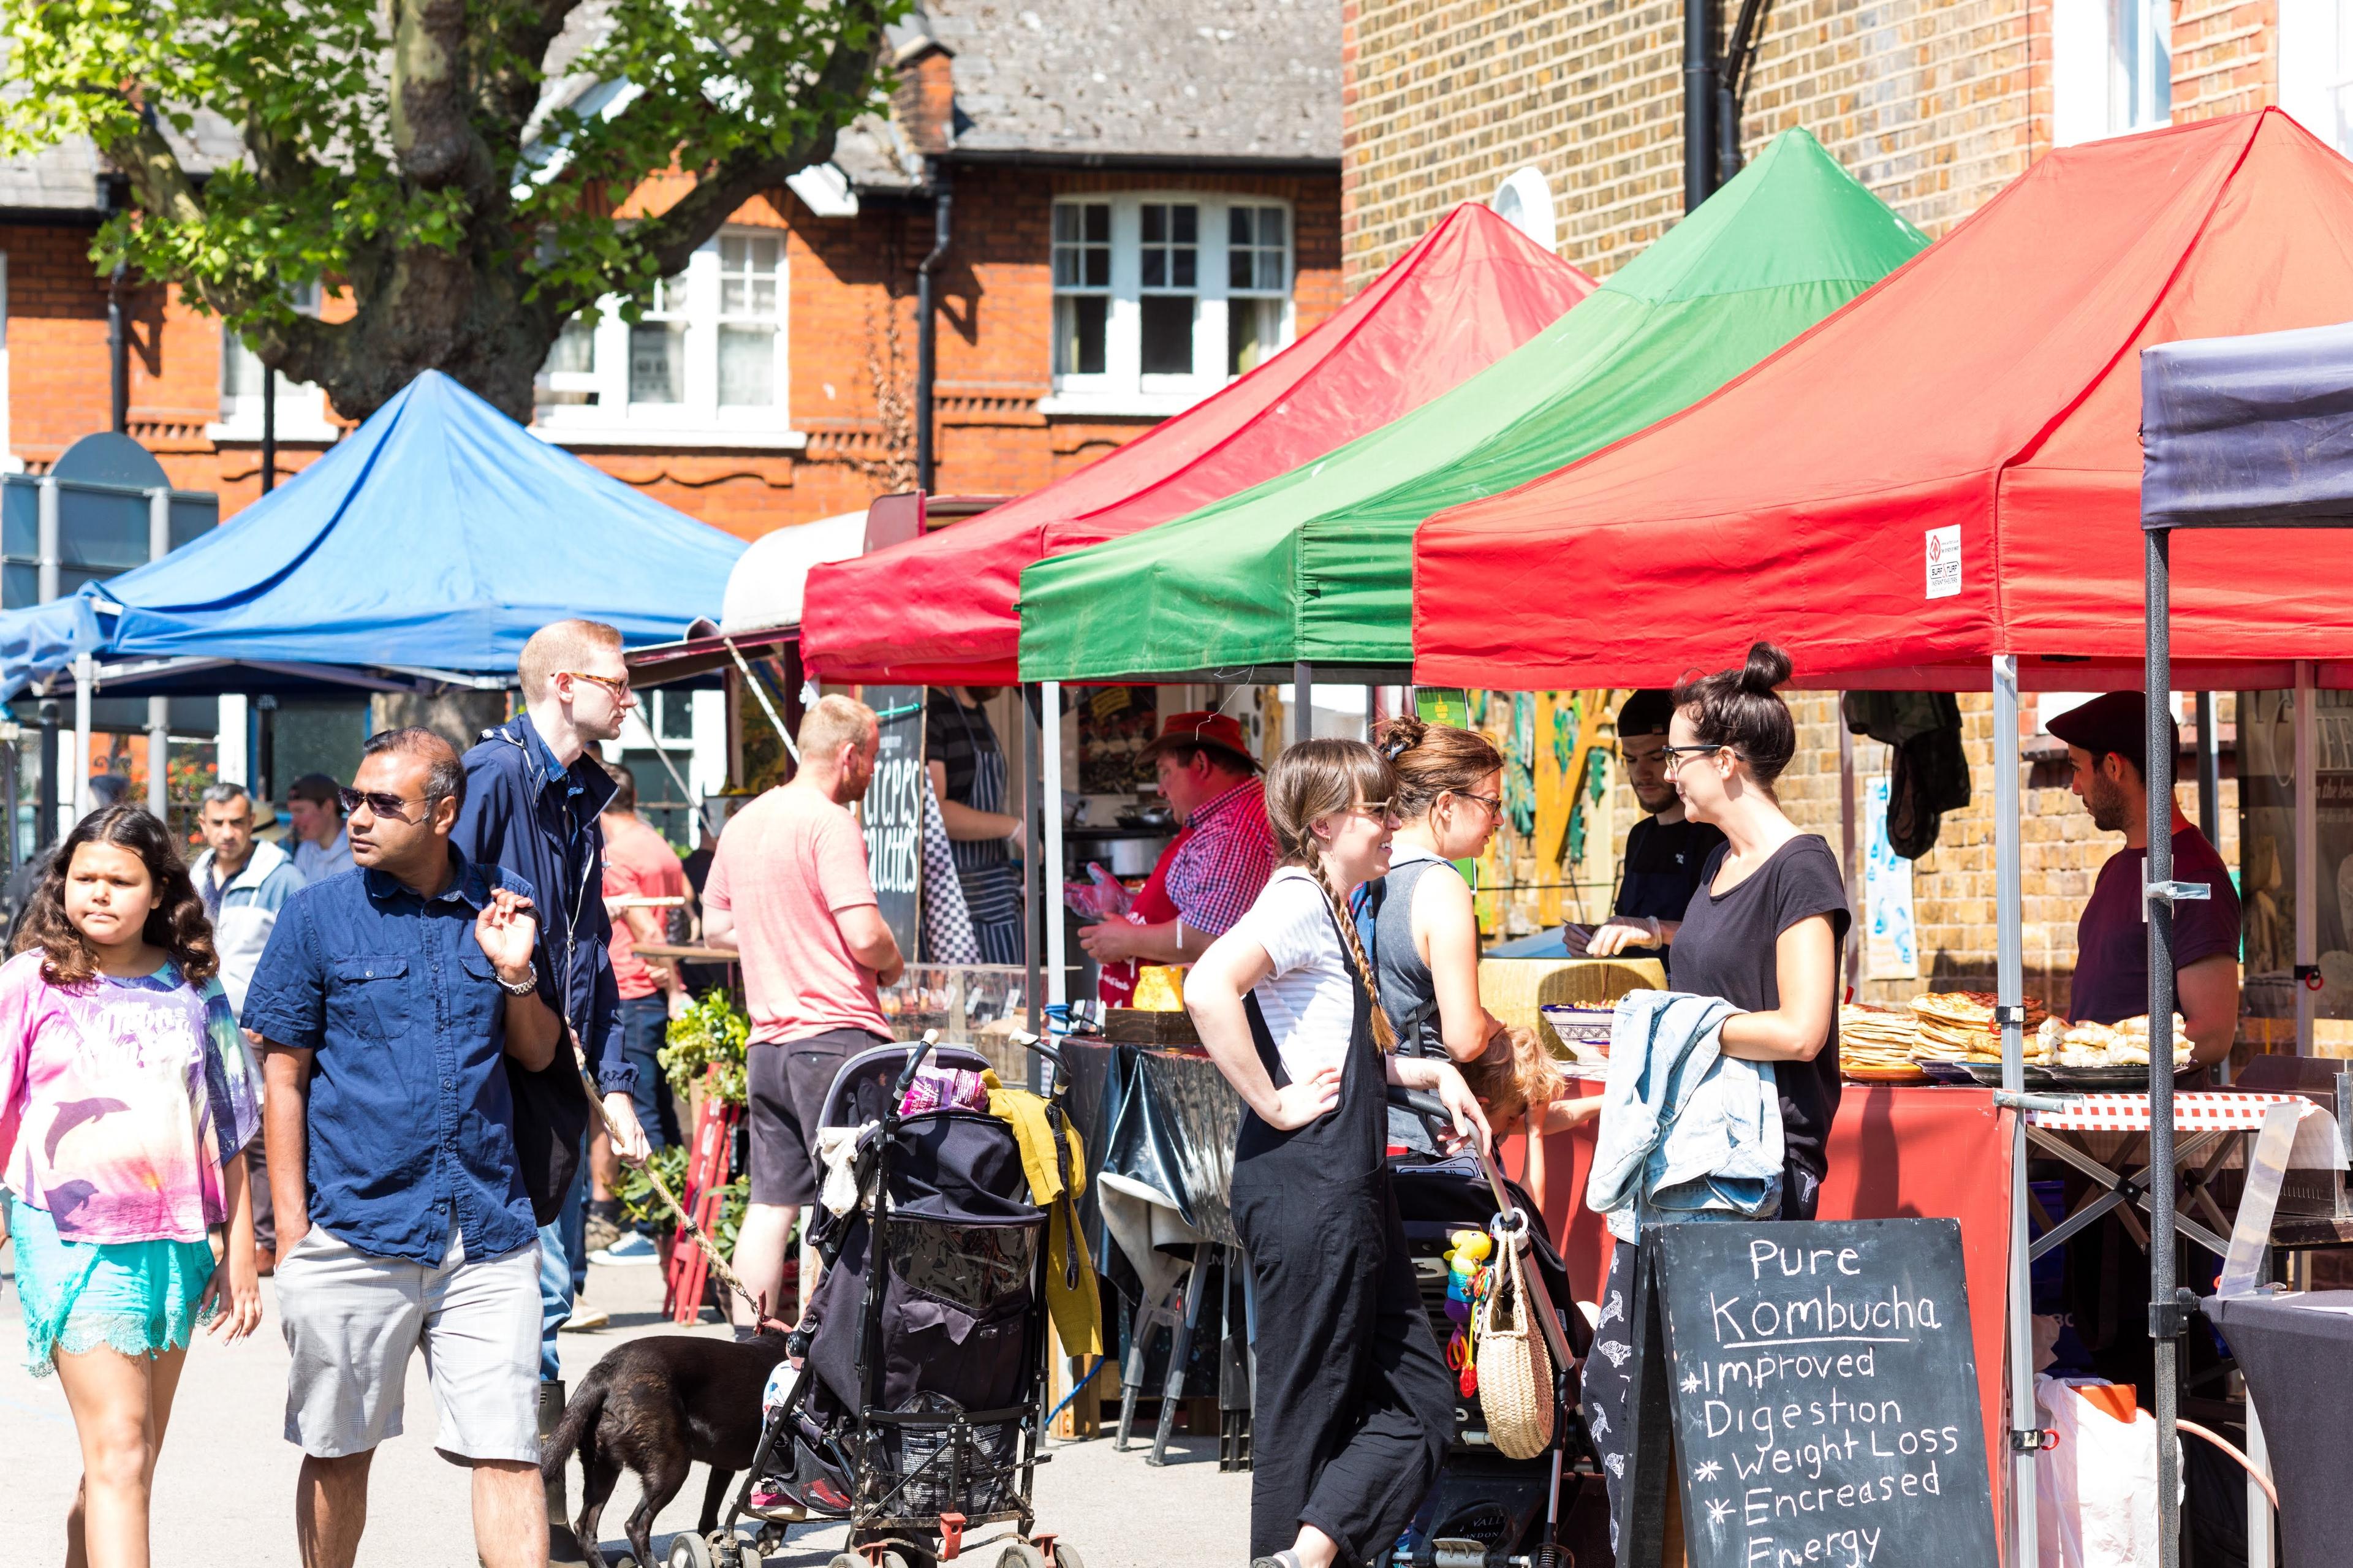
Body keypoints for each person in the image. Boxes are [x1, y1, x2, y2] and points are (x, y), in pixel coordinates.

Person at [244, 727, 560, 1568]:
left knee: (509, 1449)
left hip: (488, 1228)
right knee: (340, 1447)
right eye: (355, 798)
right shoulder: (316, 913)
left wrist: (516, 971)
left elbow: (535, 1051)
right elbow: (284, 1075)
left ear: (445, 812)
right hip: (354, 1227)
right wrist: (296, 1226)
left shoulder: (504, 903)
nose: (359, 817)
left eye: (386, 803)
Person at [1185, 738, 1485, 1568]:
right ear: (1323, 824)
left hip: (1347, 1186)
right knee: (1306, 1411)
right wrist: (1272, 1101)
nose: (1395, 822)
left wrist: (1430, 1070)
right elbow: (1208, 986)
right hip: (1312, 1185)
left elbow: (1335, 1044)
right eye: (1377, 809)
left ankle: (1304, 1554)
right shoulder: (1295, 898)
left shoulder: (1328, 903)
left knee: (1422, 1401)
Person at [1577, 644, 1850, 1545]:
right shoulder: (1717, 867)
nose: (1669, 773)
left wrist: (1671, 1024)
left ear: (1727, 762)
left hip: (1754, 1178)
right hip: (1688, 1168)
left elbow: (1802, 1026)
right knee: (1637, 1398)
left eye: (1681, 755)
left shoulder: (1800, 869)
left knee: (1726, 1417)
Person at [0, 803, 263, 1568]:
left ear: (159, 891)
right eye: (85, 877)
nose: (100, 894)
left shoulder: (194, 990)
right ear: (61, 884)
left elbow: (232, 1123)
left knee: (128, 1458)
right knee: (120, 1448)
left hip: (177, 1242)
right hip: (69, 1236)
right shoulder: (29, 981)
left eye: (121, 879)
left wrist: (241, 1251)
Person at [452, 619, 650, 1559]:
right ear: (566, 683)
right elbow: (446, 915)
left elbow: (593, 951)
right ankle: (546, 1524)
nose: (631, 696)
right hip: (493, 1078)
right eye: (619, 682)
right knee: (528, 1298)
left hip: (558, 1080)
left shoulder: (578, 790)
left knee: (553, 1292)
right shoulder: (494, 774)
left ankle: (550, 1515)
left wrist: (615, 1083)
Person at [705, 695, 901, 1328]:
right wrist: (893, 964)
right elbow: (866, 936)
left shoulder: (744, 823)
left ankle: (747, 1344)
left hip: (769, 1046)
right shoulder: (829, 822)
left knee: (771, 1205)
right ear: (848, 756)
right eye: (869, 761)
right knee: (856, 1201)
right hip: (836, 1038)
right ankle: (845, 1352)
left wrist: (783, 931)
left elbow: (716, 928)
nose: (871, 775)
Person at [1360, 717, 1596, 1148]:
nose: (1501, 818)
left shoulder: (1367, 870)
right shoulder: (1441, 885)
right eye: (1491, 803)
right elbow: (1465, 1039)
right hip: (1429, 1131)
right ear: (1447, 804)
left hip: (1369, 1120)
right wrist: (1495, 1024)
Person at [2047, 691, 2243, 1067]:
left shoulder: (2194, 874)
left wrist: (2111, 1063)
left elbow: (2213, 1033)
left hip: (2151, 1119)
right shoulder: (2115, 868)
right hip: (2096, 1112)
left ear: (2113, 767)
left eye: (2077, 767)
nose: (2074, 786)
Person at [1080, 711, 1278, 1006]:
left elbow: (1208, 937)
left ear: (1200, 764)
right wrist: (1126, 905)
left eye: (1165, 771)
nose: (1161, 788)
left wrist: (1128, 939)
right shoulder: (1218, 819)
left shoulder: (1233, 830)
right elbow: (1199, 908)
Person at [191, 780, 307, 1275]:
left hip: (260, 1028)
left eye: (237, 822)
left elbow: (304, 950)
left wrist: (277, 1012)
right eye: (217, 823)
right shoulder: (196, 874)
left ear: (252, 823)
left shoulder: (281, 877)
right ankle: (224, 1233)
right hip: (204, 1022)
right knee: (213, 1130)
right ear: (202, 826)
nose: (228, 832)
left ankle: (270, 1240)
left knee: (263, 1135)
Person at [586, 763, 686, 1265]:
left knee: (640, 1115)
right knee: (658, 1111)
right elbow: (683, 899)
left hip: (630, 990)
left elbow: (647, 926)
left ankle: (650, 1228)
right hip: (648, 993)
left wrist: (670, 982)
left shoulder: (616, 854)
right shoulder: (656, 843)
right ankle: (665, 1231)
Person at [1570, 689, 1727, 969]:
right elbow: (1632, 926)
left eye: (1655, 758)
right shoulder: (1639, 836)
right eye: (1631, 760)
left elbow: (1727, 938)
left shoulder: (1718, 836)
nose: (1641, 773)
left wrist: (1654, 932)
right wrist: (1603, 937)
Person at [926, 686, 1025, 963]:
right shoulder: (934, 712)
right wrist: (1014, 828)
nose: (1002, 684)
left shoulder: (978, 711)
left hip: (997, 893)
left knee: (1010, 1003)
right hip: (953, 897)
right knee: (963, 1003)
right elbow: (937, 810)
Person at [284, 774, 354, 882]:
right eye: (292, 813)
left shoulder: (356, 854)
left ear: (327, 807)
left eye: (300, 811)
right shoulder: (305, 851)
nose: (294, 821)